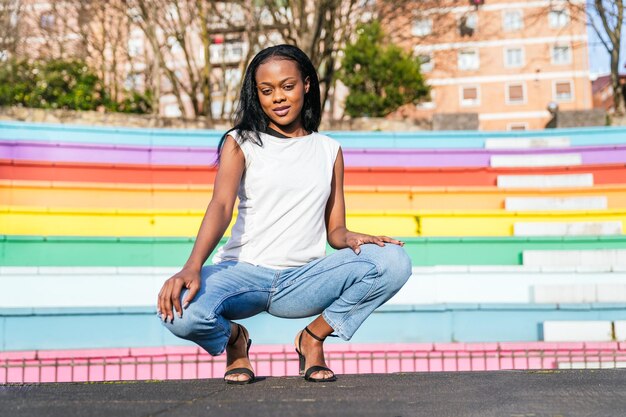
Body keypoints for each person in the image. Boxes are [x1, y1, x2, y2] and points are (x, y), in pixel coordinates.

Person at [156, 44, 412, 385]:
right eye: (267, 90)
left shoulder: (329, 150)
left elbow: (335, 231)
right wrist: (192, 266)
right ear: (257, 95)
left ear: (306, 85)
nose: (278, 97)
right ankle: (235, 341)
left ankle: (313, 338)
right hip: (242, 274)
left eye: (287, 86)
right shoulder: (240, 142)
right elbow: (220, 206)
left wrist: (351, 237)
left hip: (303, 279)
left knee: (394, 261)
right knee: (179, 313)